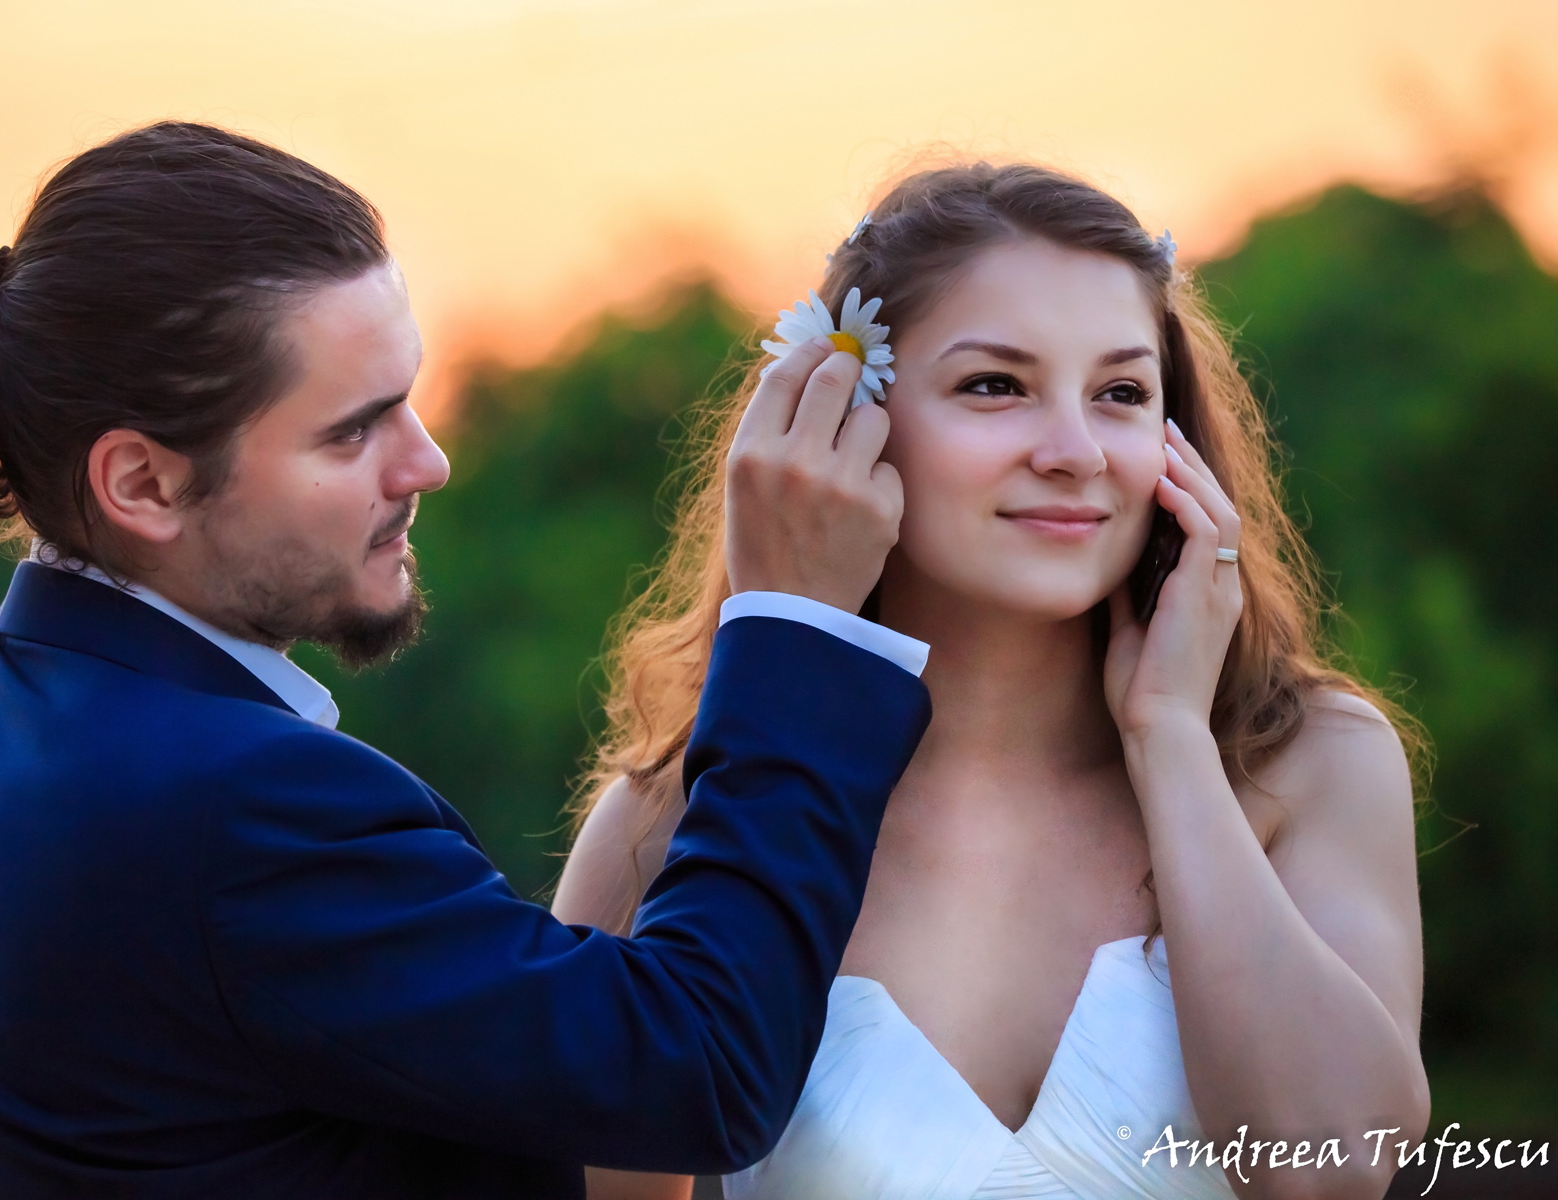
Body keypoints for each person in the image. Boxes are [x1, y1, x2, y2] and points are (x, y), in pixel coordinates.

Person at [0, 121, 936, 1199]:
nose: (427, 463)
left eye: (409, 401)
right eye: (352, 430)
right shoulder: (249, 814)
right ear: (141, 484)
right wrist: (795, 632)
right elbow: (699, 1069)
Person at [556, 162, 1430, 1200]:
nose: (1074, 452)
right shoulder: (675, 824)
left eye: (1119, 394)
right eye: (995, 386)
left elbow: (1335, 1172)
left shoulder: (1315, 764)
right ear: (843, 419)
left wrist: (1172, 741)